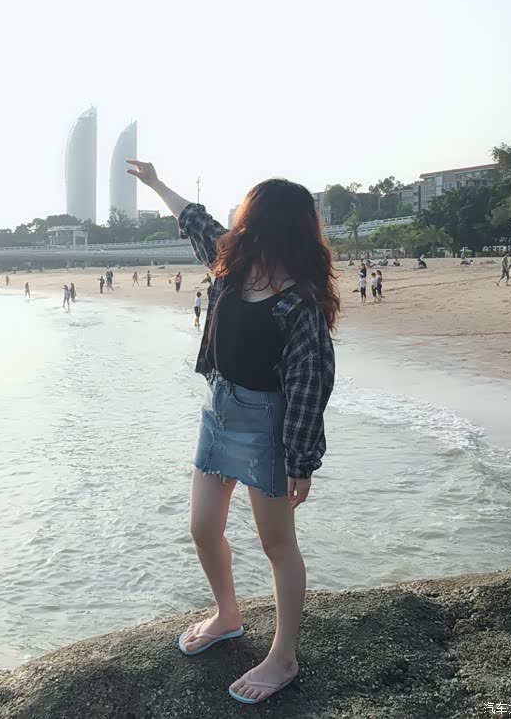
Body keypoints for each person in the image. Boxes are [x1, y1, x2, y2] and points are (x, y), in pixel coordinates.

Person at [127, 159, 337, 706]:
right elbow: (193, 219)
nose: (241, 228)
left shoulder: (300, 301)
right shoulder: (232, 265)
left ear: (269, 226)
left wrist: (301, 461)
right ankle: (227, 614)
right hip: (217, 413)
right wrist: (155, 183)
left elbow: (309, 384)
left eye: (249, 219)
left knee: (278, 545)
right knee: (202, 527)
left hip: (267, 426)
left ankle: (283, 656)